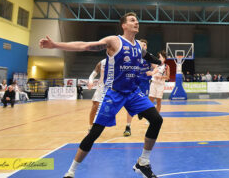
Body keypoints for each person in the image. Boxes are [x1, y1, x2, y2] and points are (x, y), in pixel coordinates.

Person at [39, 12, 164, 178]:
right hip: (114, 93)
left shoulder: (139, 46)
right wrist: (55, 45)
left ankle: (143, 162)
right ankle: (71, 172)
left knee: (157, 119)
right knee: (95, 132)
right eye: (132, 20)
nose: (137, 23)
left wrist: (160, 61)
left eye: (137, 21)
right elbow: (86, 45)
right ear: (124, 25)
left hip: (133, 92)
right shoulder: (114, 41)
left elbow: (145, 55)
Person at [125, 39, 153, 137]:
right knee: (130, 105)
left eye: (144, 45)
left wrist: (152, 72)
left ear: (146, 47)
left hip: (145, 84)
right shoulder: (133, 56)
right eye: (141, 45)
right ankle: (128, 126)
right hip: (134, 83)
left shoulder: (149, 56)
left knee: (146, 104)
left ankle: (143, 114)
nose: (143, 46)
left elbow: (156, 66)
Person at [87, 58, 107, 129]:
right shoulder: (102, 62)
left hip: (113, 87)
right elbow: (92, 75)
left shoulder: (119, 60)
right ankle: (91, 127)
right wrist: (90, 81)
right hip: (102, 87)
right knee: (95, 106)